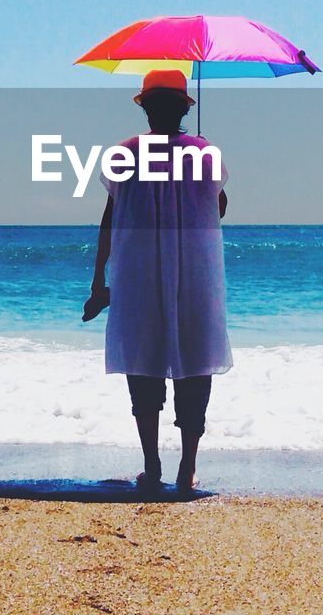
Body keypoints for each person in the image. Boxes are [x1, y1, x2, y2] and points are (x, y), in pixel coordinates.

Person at [82, 69, 231, 495]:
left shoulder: (124, 153)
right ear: (186, 108)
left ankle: (152, 465)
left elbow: (109, 220)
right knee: (195, 367)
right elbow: (217, 209)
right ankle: (187, 468)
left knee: (144, 368)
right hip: (195, 280)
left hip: (138, 278)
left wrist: (98, 281)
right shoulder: (206, 155)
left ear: (145, 107)